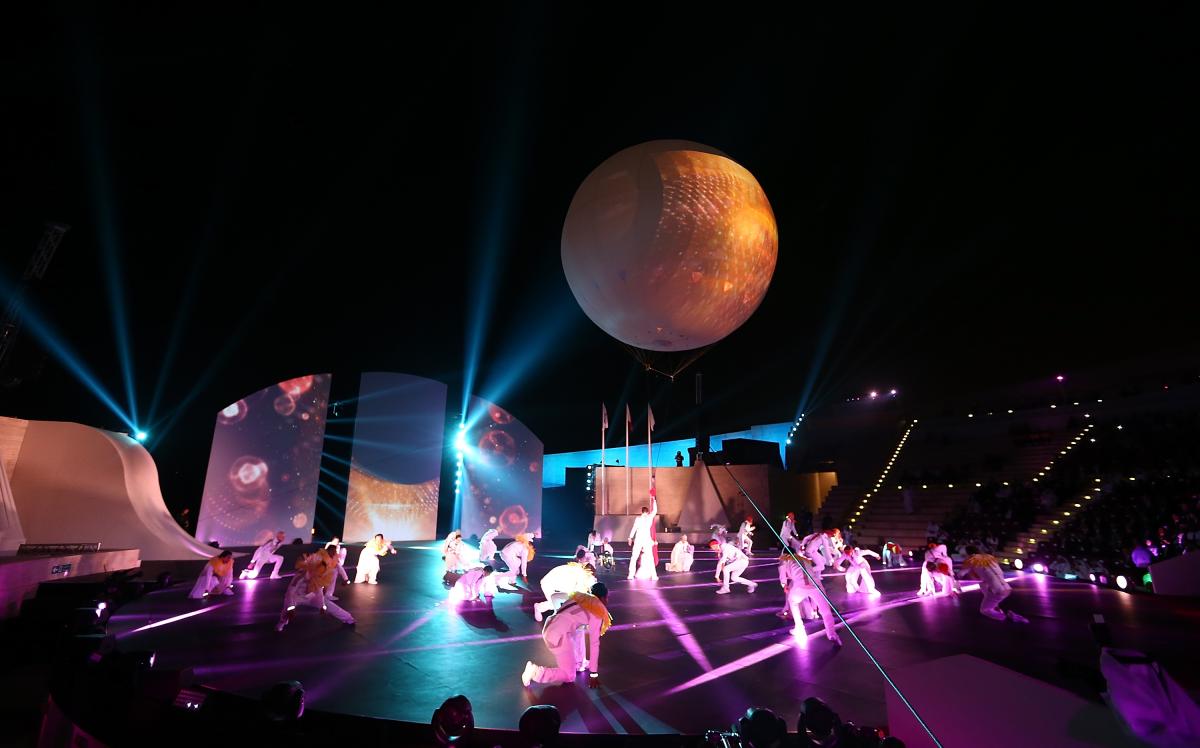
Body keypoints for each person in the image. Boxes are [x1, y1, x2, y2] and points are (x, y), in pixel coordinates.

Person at [522, 582, 611, 688]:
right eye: (607, 597)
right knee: (569, 676)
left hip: (551, 626)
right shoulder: (597, 612)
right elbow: (594, 645)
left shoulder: (580, 597)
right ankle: (536, 673)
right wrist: (593, 675)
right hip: (558, 635)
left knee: (578, 632)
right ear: (603, 597)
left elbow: (556, 598)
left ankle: (579, 663)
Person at [276, 551, 355, 631]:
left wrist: (322, 606)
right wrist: (291, 608)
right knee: (287, 609)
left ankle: (348, 618)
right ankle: (282, 623)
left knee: (329, 605)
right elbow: (290, 592)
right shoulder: (300, 575)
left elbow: (319, 591)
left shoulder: (320, 575)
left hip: (311, 597)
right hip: (297, 596)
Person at [779, 553, 841, 645]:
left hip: (799, 586)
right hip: (816, 585)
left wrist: (784, 585)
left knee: (793, 602)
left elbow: (782, 576)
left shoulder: (784, 560)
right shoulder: (805, 560)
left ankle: (799, 628)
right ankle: (832, 634)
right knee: (825, 611)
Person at [960, 546, 1028, 622]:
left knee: (984, 610)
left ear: (968, 553)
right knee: (983, 585)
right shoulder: (989, 557)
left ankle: (1008, 618)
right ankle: (1000, 609)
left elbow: (961, 574)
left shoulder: (971, 560)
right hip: (1007, 588)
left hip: (997, 591)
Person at [533, 556, 598, 621]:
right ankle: (538, 607)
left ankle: (542, 608)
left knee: (563, 603)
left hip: (558, 585)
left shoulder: (578, 571)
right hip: (549, 584)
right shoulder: (580, 574)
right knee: (556, 604)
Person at [627, 495, 658, 580]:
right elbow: (655, 511)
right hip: (645, 540)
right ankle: (654, 575)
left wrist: (630, 537)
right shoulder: (649, 518)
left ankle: (631, 575)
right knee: (650, 557)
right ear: (647, 512)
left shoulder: (638, 519)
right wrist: (654, 500)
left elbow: (634, 528)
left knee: (634, 557)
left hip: (639, 540)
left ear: (641, 512)